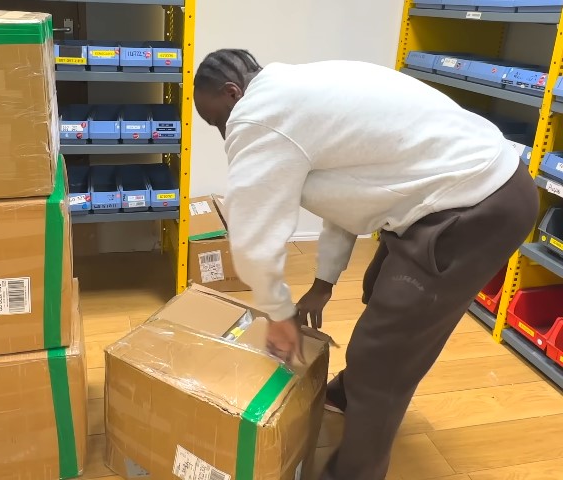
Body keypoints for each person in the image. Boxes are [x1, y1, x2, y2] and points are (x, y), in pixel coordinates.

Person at [192, 49, 539, 480]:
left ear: (233, 93)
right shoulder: (296, 91)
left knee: (386, 348)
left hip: (479, 202)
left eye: (216, 120)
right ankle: (351, 393)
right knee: (380, 289)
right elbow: (348, 193)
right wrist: (323, 281)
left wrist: (278, 313)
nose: (222, 133)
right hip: (452, 192)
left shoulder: (258, 115)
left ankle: (355, 471)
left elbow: (251, 232)